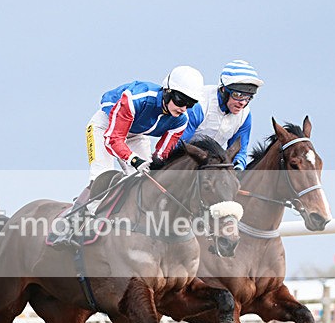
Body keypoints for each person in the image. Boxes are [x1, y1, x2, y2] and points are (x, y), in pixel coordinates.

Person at [52, 66, 204, 247]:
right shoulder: (136, 100)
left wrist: (154, 166)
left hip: (136, 135)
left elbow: (161, 154)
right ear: (167, 92)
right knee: (102, 176)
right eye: (181, 100)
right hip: (105, 129)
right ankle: (70, 224)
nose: (184, 108)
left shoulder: (181, 120)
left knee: (148, 179)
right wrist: (134, 160)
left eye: (190, 103)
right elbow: (113, 139)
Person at [179, 60, 263, 170]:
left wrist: (238, 167)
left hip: (213, 164)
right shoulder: (200, 105)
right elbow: (179, 145)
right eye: (237, 95)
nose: (242, 102)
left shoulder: (245, 115)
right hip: (185, 161)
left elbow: (240, 151)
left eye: (248, 97)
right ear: (223, 90)